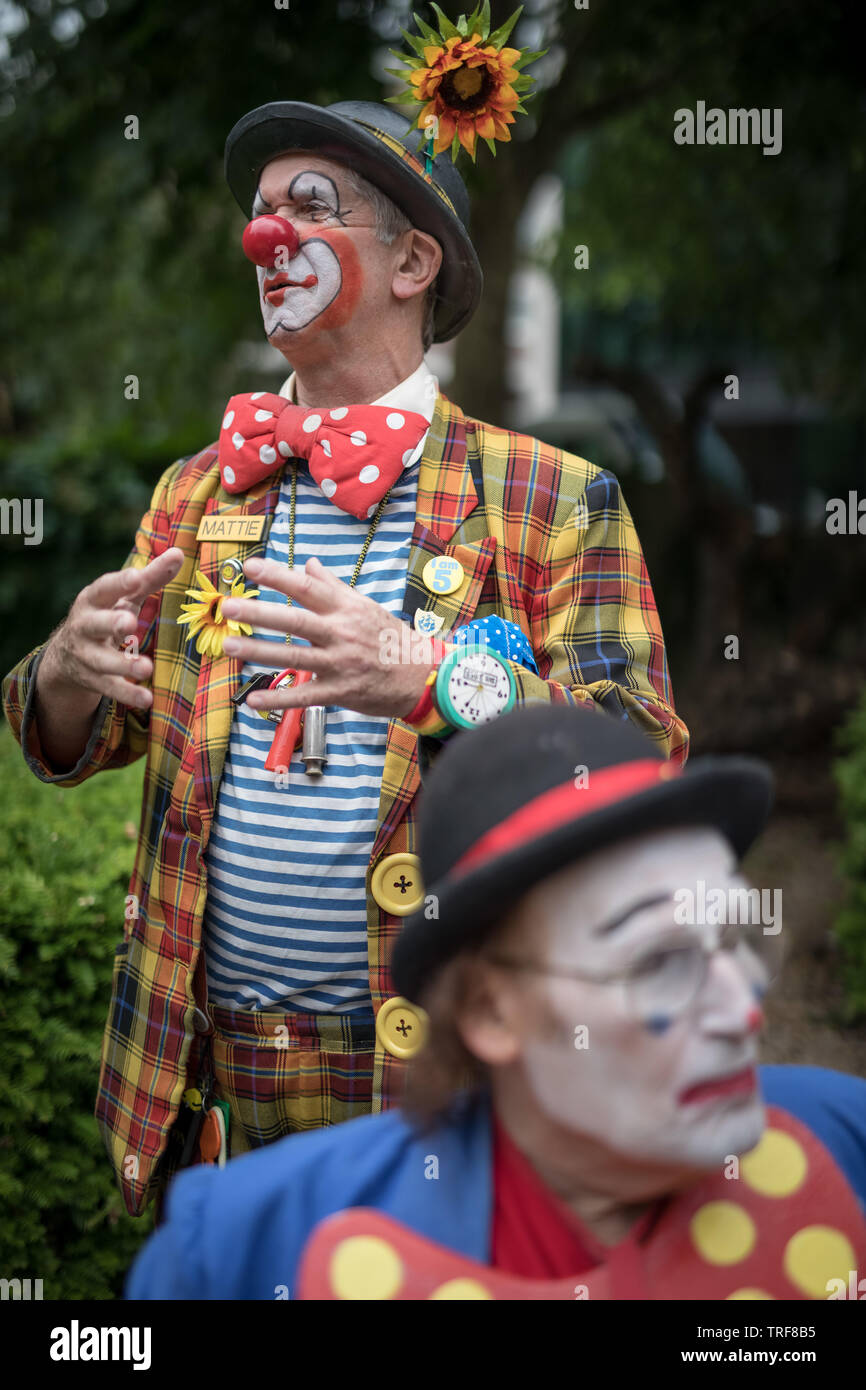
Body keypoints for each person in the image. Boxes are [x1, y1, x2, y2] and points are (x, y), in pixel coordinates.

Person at [2, 17, 687, 1220]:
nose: (263, 236)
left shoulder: (553, 499)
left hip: (437, 1087)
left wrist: (429, 675)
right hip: (199, 1083)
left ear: (413, 264)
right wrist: (62, 671)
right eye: (259, 210)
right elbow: (81, 742)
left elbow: (634, 765)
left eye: (308, 204)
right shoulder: (193, 493)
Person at [127, 706, 866, 1300]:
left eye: (738, 940)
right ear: (489, 1011)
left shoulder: (848, 1144)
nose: (744, 1011)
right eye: (662, 963)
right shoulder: (242, 1251)